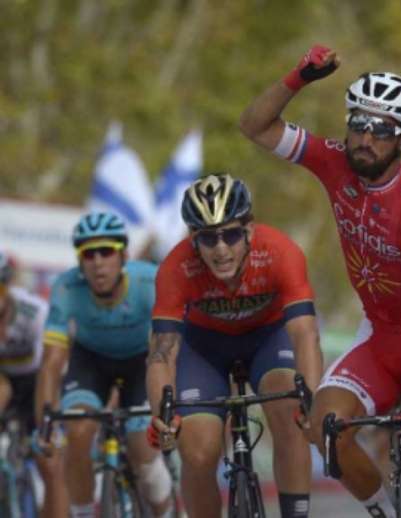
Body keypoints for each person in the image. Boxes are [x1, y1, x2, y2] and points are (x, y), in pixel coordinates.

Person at [239, 45, 401, 518]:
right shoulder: (334, 161)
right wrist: (300, 76)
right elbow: (254, 126)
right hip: (380, 337)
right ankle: (385, 511)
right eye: (359, 124)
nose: (366, 138)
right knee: (322, 427)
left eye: (383, 129)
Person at [146, 173, 323, 518]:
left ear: (250, 231)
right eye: (209, 238)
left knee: (290, 407)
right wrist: (161, 417)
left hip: (268, 338)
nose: (221, 248)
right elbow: (162, 351)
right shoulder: (175, 267)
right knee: (196, 452)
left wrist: (311, 397)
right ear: (193, 240)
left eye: (230, 234)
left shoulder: (280, 252)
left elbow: (305, 334)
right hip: (204, 350)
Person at [35, 212, 173, 518]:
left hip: (141, 361)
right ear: (80, 261)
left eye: (106, 251)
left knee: (142, 450)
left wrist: (166, 399)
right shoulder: (66, 288)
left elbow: (165, 346)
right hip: (91, 362)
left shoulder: (148, 281)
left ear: (123, 255)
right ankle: (84, 512)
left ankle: (167, 512)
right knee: (78, 431)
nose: (98, 262)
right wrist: (44, 424)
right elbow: (51, 362)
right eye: (88, 253)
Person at [0, 252, 68, 518]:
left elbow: (49, 370)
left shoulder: (34, 311)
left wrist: (46, 428)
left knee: (50, 462)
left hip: (37, 380)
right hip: (4, 380)